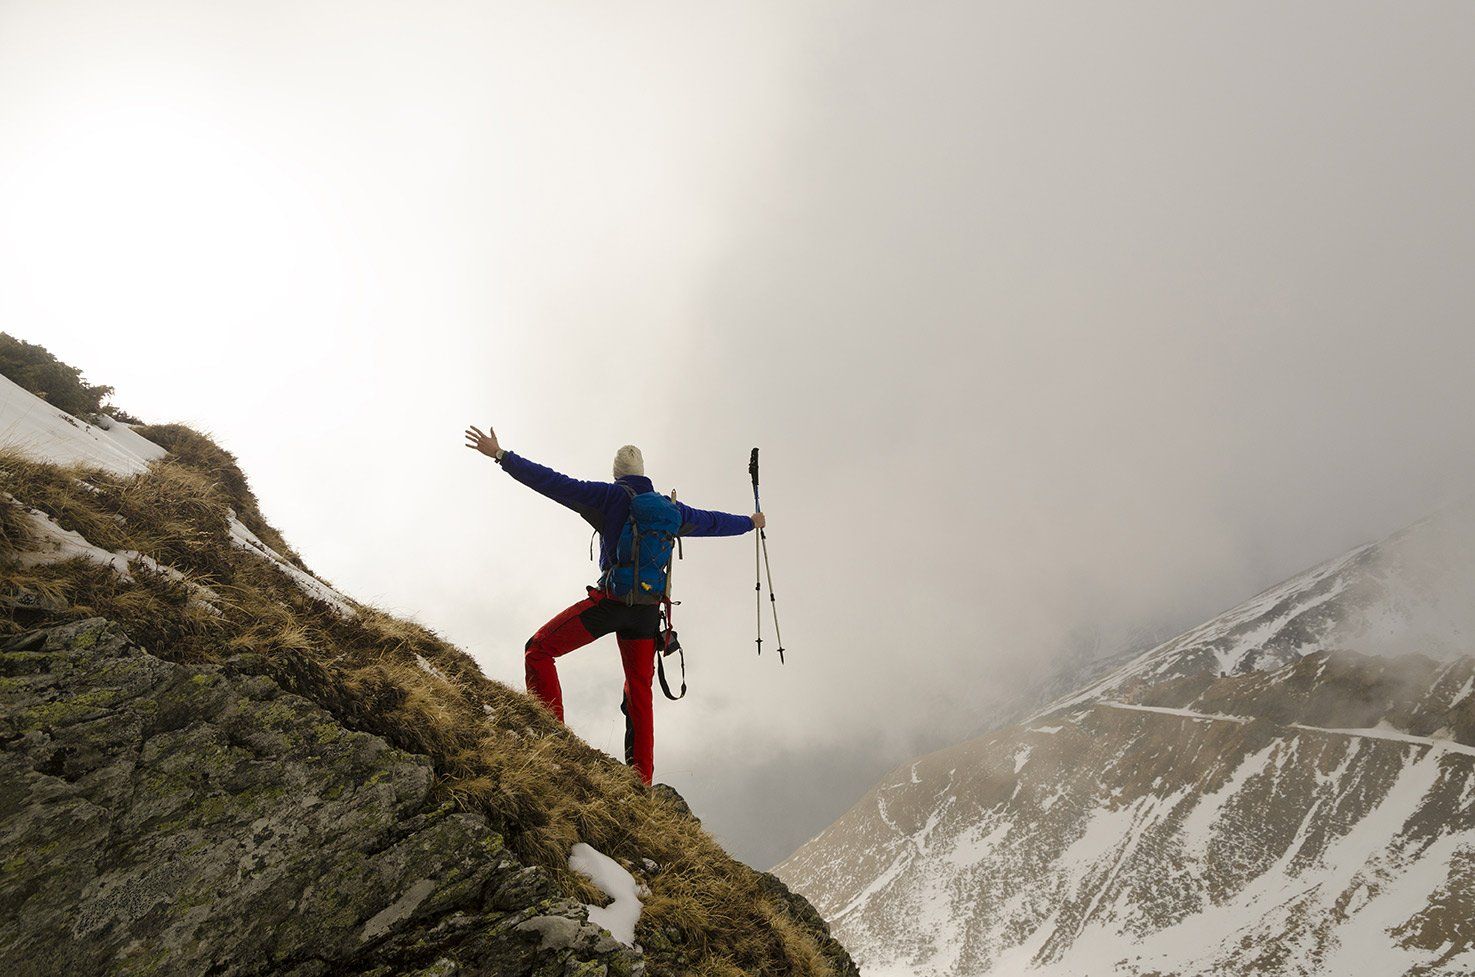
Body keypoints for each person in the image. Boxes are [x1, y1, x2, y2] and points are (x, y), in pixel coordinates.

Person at [464, 424, 763, 784]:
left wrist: (501, 456)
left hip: (611, 604)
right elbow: (715, 522)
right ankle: (641, 782)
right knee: (639, 691)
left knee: (539, 650)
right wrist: (750, 522)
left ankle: (553, 744)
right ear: (644, 473)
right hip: (648, 614)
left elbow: (552, 483)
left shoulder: (609, 497)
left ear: (617, 473)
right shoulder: (672, 511)